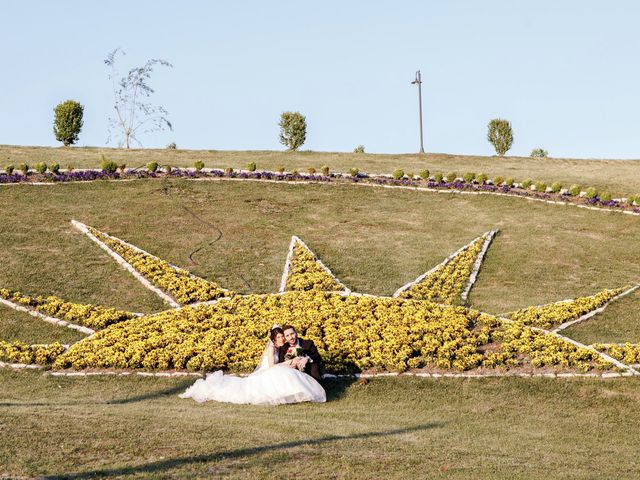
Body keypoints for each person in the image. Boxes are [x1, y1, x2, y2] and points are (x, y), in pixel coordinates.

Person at [179, 326, 326, 405]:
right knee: (276, 379)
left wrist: (296, 361)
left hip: (283, 368)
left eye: (284, 336)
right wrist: (288, 363)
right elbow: (273, 366)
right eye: (280, 337)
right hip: (271, 370)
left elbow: (306, 357)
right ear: (274, 339)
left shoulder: (285, 347)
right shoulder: (273, 349)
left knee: (287, 375)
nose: (283, 339)